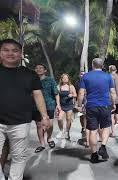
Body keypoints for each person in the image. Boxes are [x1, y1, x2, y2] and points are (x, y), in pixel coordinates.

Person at [0, 39, 49, 180]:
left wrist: (44, 116)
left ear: (21, 53)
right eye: (6, 50)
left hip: (21, 122)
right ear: (0, 52)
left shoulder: (30, 74)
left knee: (19, 156)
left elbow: (38, 95)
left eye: (15, 50)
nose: (10, 53)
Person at [77, 58, 116, 163]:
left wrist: (79, 105)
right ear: (102, 65)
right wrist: (113, 104)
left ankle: (94, 155)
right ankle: (103, 146)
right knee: (106, 127)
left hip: (91, 106)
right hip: (105, 105)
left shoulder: (86, 76)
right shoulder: (108, 76)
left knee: (93, 131)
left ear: (92, 65)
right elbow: (112, 92)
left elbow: (81, 93)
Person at [33, 64, 61, 153]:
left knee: (50, 124)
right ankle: (42, 144)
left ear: (45, 70)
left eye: (41, 68)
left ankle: (49, 138)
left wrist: (58, 104)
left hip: (49, 105)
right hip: (36, 106)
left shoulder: (50, 80)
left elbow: (56, 93)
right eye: (37, 68)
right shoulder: (32, 80)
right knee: (39, 125)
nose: (38, 69)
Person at [56, 73, 77, 140]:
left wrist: (72, 95)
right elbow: (57, 96)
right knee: (59, 119)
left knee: (68, 119)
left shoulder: (71, 86)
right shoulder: (59, 86)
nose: (65, 79)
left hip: (69, 105)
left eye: (66, 78)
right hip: (62, 106)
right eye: (64, 78)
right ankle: (61, 131)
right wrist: (58, 105)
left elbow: (75, 95)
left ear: (68, 79)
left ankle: (67, 132)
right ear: (61, 79)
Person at [75, 71, 89, 147]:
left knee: (86, 120)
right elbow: (78, 93)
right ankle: (83, 128)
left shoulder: (88, 82)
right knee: (82, 117)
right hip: (81, 101)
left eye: (83, 74)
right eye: (81, 74)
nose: (82, 75)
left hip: (86, 102)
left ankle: (87, 139)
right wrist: (77, 103)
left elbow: (82, 93)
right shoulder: (77, 82)